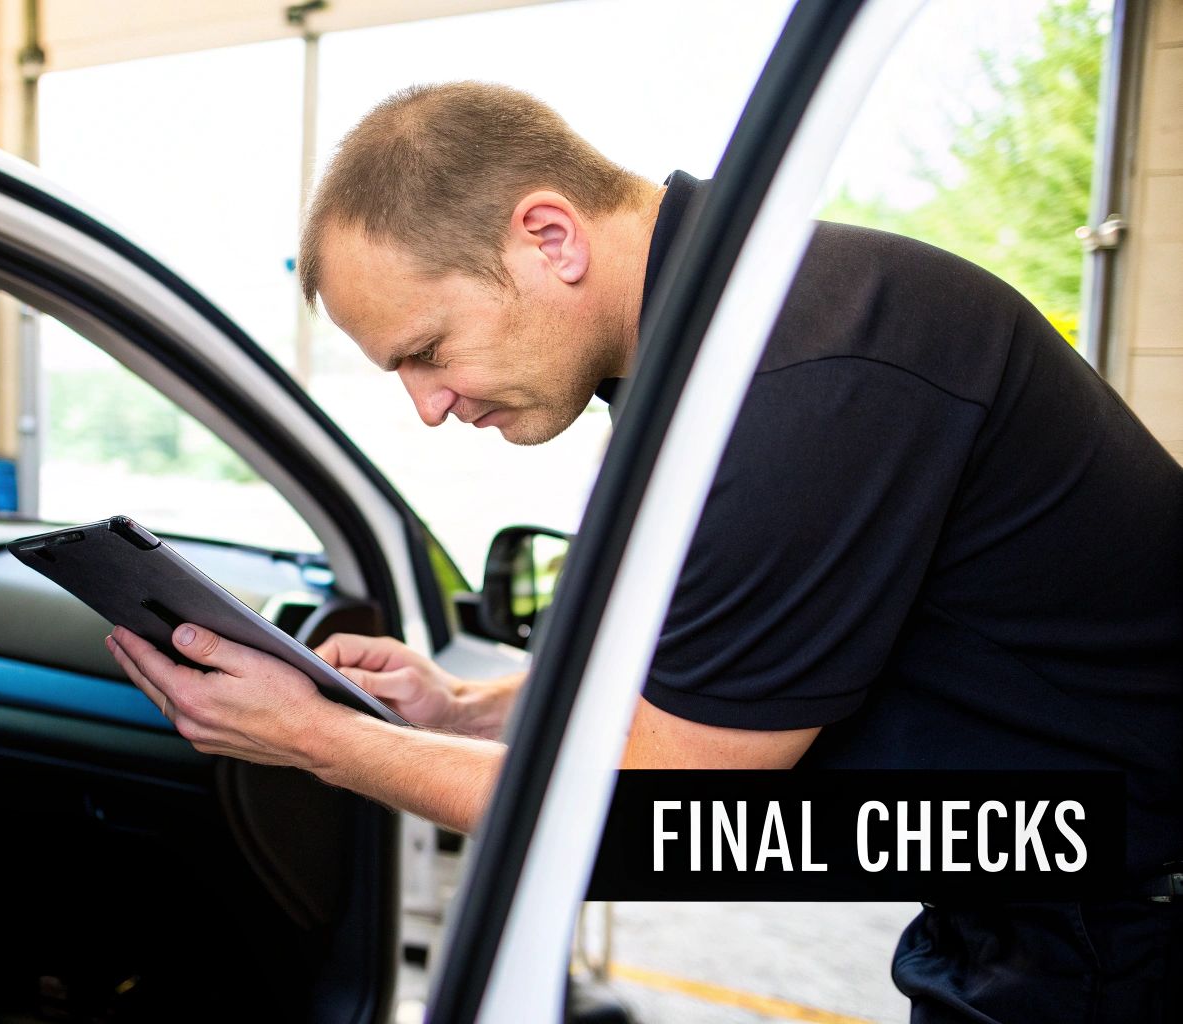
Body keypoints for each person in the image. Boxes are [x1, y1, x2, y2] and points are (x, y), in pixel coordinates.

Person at [105, 83, 1182, 1020]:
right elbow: (688, 673)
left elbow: (665, 811)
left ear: (548, 237)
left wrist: (320, 744)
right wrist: (459, 707)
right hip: (1029, 886)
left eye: (425, 352)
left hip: (1117, 924)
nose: (426, 406)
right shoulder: (702, 343)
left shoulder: (790, 375)